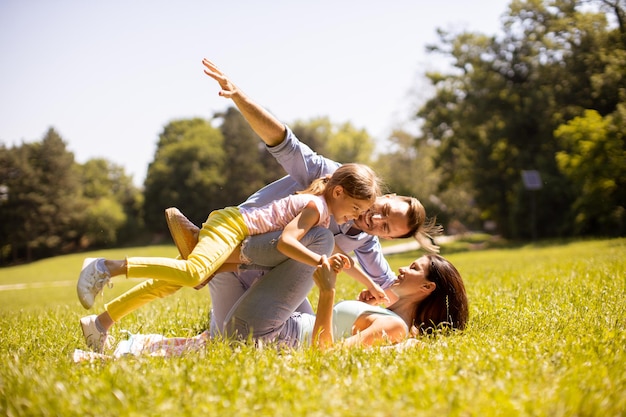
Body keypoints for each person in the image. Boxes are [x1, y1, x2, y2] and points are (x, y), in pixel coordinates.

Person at [197, 58, 442, 336]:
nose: (373, 218)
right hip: (240, 246)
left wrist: (419, 318)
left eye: (384, 227)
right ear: (390, 195)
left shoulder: (363, 240)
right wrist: (239, 96)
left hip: (268, 276)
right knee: (320, 240)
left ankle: (222, 300)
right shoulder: (332, 179)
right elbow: (283, 143)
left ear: (385, 238)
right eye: (383, 209)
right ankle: (206, 247)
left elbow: (388, 286)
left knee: (311, 329)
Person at [77, 163, 387, 352]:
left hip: (240, 237)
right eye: (356, 209)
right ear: (338, 193)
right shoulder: (318, 208)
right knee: (193, 273)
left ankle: (100, 324)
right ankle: (107, 266)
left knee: (176, 280)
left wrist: (369, 282)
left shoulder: (322, 215)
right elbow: (288, 243)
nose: (353, 218)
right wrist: (316, 262)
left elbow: (335, 253)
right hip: (233, 227)